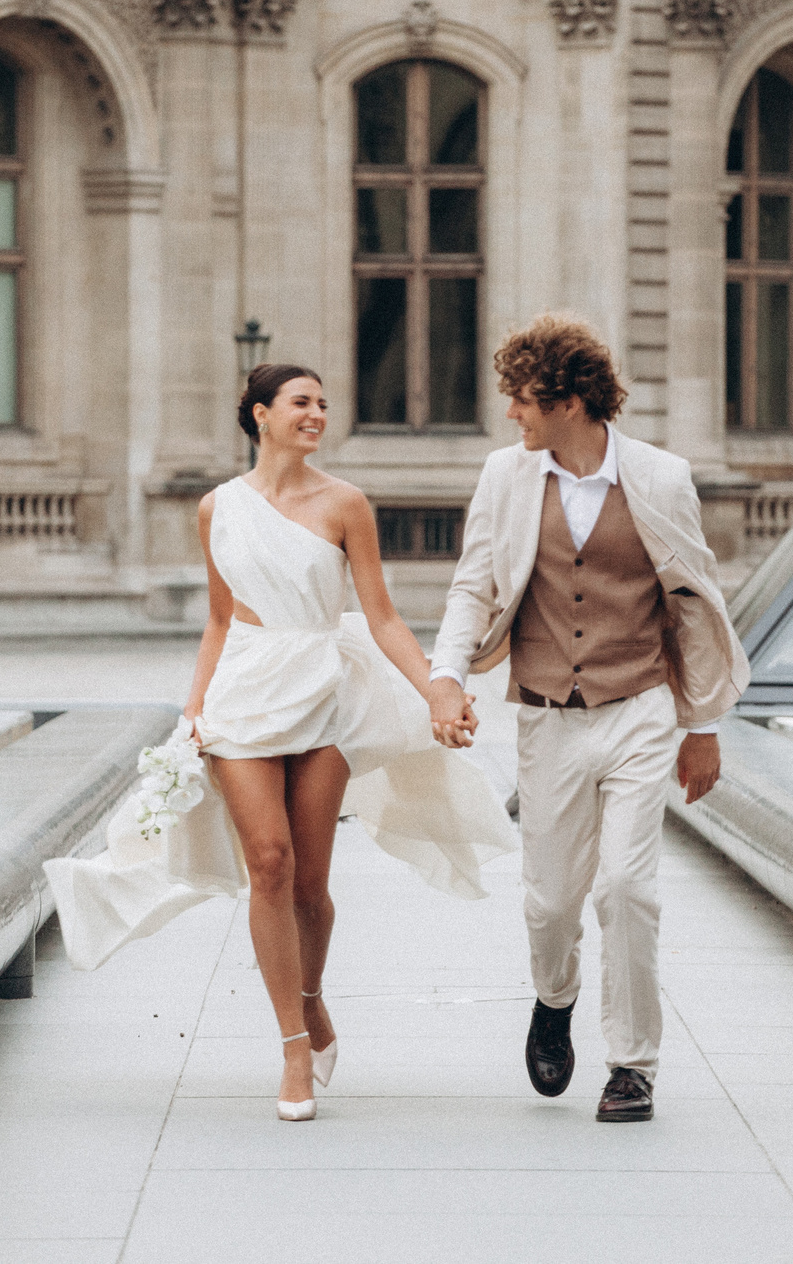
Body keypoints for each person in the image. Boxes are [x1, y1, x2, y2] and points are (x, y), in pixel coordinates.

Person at [44, 363, 515, 1122]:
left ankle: (311, 994)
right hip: (244, 692)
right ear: (261, 414)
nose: (317, 413)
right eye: (302, 402)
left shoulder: (346, 504)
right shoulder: (217, 508)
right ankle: (294, 1045)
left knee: (307, 883)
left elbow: (383, 617)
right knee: (268, 860)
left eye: (323, 403)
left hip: (325, 689)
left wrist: (438, 688)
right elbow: (219, 619)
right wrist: (193, 713)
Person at [429, 315, 747, 1124]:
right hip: (546, 717)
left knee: (628, 887)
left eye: (521, 397)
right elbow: (472, 585)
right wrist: (446, 676)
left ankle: (632, 1065)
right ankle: (554, 996)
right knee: (549, 904)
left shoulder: (661, 478)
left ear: (568, 400)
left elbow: (693, 604)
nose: (511, 412)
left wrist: (702, 724)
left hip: (638, 706)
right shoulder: (506, 476)